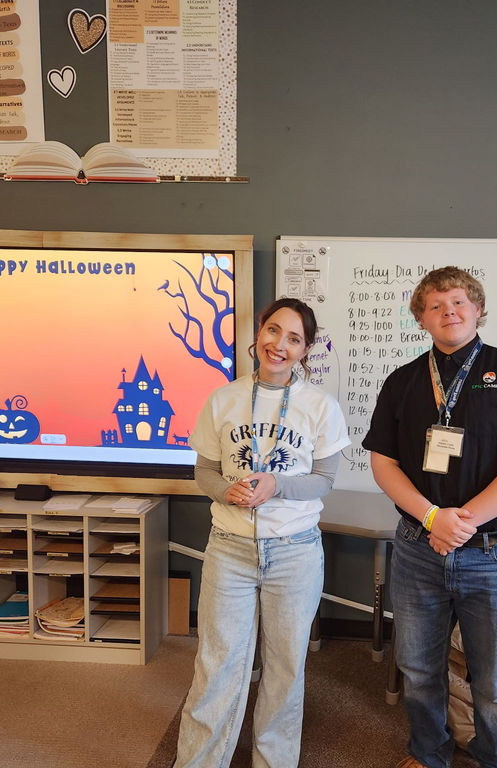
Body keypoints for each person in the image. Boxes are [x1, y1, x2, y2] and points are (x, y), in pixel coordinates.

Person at [363, 266, 497, 768]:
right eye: (435, 305)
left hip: (496, 553)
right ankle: (429, 755)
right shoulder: (404, 381)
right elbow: (383, 463)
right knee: (417, 667)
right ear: (421, 319)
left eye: (457, 301)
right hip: (417, 550)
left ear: (477, 309)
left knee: (495, 676)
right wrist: (434, 517)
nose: (448, 311)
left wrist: (462, 521)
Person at [174, 298, 350, 768]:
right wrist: (223, 492)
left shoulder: (320, 406)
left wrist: (276, 484)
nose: (279, 345)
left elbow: (324, 481)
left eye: (294, 338)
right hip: (229, 550)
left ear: (305, 349)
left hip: (294, 553)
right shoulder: (223, 398)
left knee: (285, 669)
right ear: (258, 334)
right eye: (273, 331)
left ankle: (274, 761)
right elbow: (205, 471)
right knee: (217, 664)